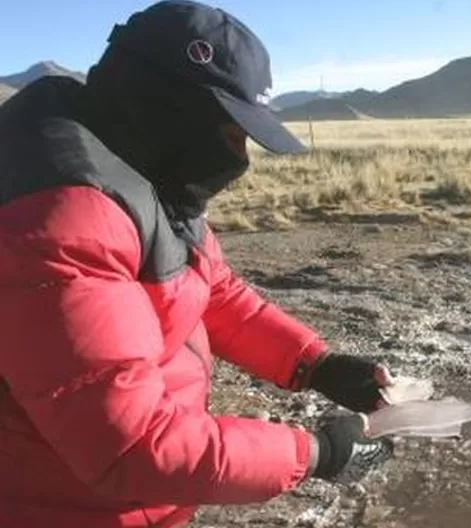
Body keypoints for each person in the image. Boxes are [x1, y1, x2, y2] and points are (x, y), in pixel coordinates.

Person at [0, 1, 395, 526]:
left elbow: (212, 290)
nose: (240, 159)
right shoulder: (63, 222)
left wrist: (313, 364)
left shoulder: (139, 175)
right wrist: (317, 453)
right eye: (233, 134)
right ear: (170, 111)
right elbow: (134, 446)